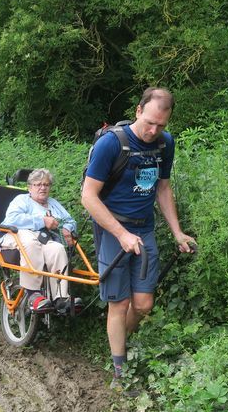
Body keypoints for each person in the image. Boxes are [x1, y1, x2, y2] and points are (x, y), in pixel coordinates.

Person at [81, 87, 196, 382]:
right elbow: (89, 197)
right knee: (118, 303)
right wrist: (120, 234)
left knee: (143, 304)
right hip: (112, 227)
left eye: (161, 125)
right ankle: (120, 370)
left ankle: (119, 338)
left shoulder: (164, 144)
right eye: (150, 123)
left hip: (143, 228)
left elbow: (162, 188)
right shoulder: (112, 144)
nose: (153, 130)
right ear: (138, 110)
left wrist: (177, 232)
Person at [0, 169, 77, 312]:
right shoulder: (22, 200)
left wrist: (67, 228)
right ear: (29, 187)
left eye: (46, 184)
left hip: (45, 240)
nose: (43, 188)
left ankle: (61, 298)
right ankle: (33, 294)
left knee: (57, 249)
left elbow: (70, 220)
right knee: (30, 242)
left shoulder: (53, 203)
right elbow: (11, 220)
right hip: (17, 235)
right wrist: (42, 221)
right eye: (38, 184)